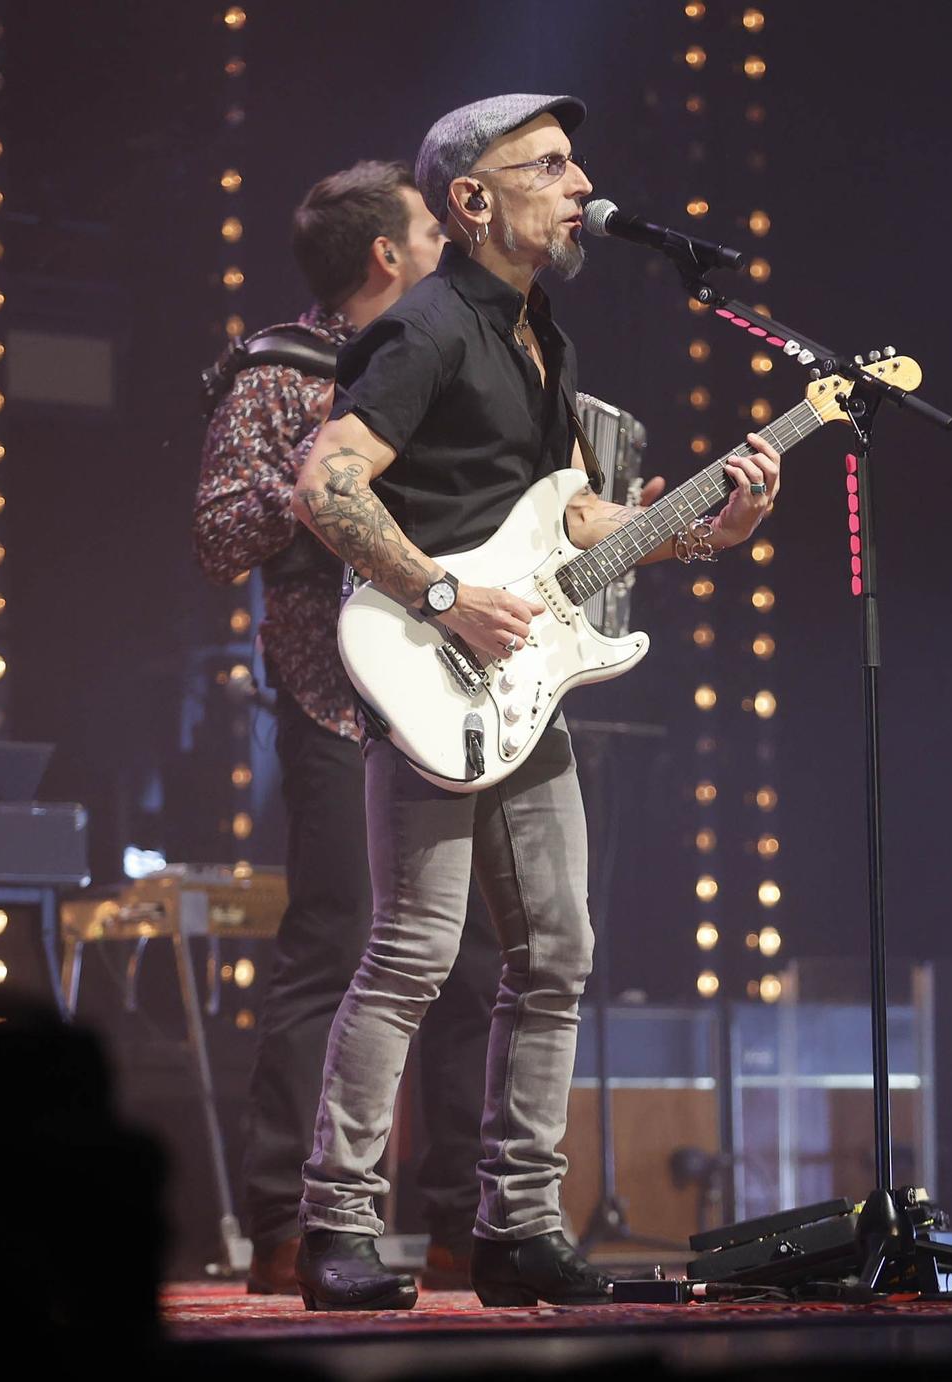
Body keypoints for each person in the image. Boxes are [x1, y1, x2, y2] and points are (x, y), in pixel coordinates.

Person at [289, 93, 783, 1311]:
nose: (580, 186)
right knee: (409, 953)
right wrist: (443, 592)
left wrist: (704, 528)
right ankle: (334, 1223)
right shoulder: (430, 328)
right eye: (549, 166)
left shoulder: (538, 334)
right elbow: (325, 483)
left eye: (576, 164)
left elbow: (568, 520)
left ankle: (516, 1226)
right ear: (471, 200)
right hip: (429, 667)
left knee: (555, 955)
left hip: (523, 685)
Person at [193, 160, 501, 1295]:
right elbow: (219, 531)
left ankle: (466, 1220)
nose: (444, 239)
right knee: (334, 947)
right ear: (387, 253)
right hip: (335, 698)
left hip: (456, 696)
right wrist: (314, 470)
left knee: (474, 960)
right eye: (428, 224)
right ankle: (288, 1221)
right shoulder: (283, 373)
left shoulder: (451, 352)